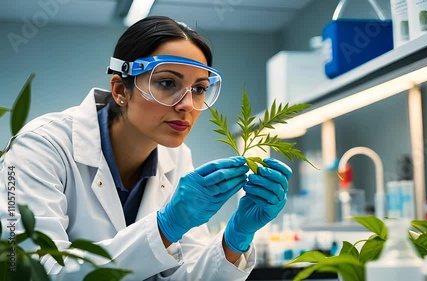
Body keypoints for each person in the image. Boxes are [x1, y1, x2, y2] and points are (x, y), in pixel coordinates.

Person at [0, 16, 291, 280]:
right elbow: (29, 271)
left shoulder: (176, 156)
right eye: (167, 83)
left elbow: (187, 275)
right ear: (120, 90)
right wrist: (164, 227)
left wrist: (235, 239)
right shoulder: (40, 146)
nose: (187, 105)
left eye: (200, 89)